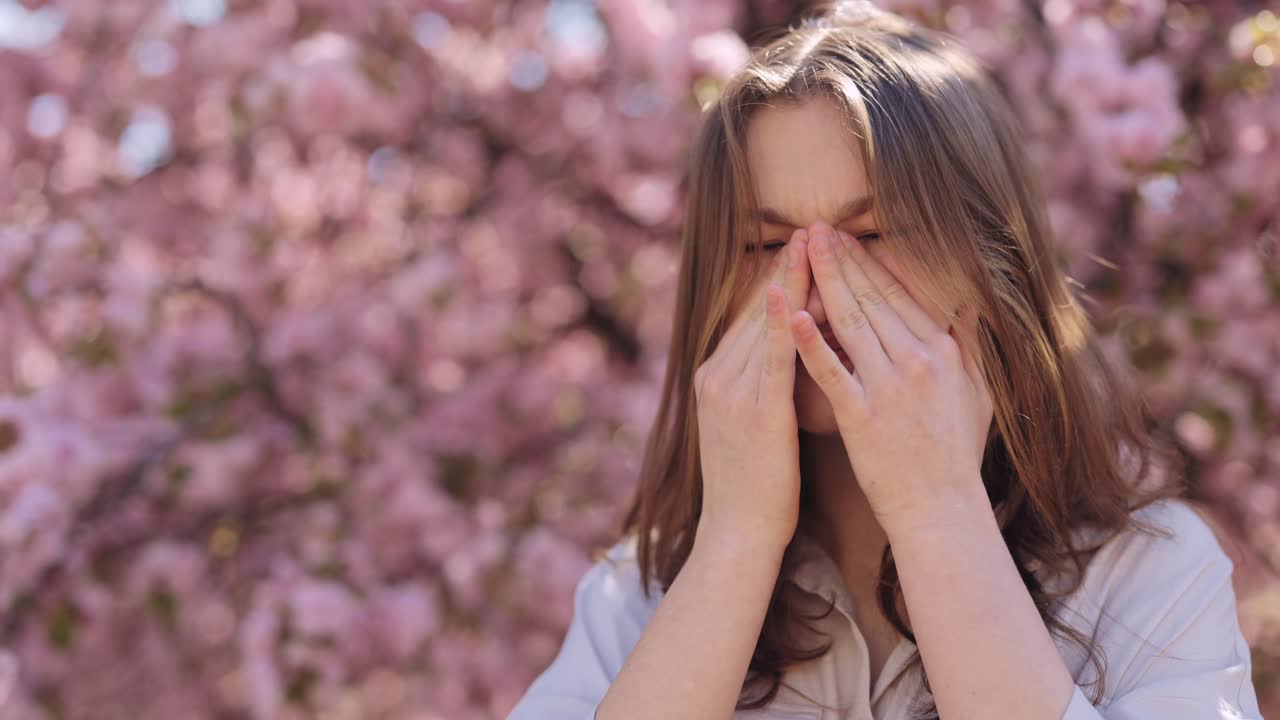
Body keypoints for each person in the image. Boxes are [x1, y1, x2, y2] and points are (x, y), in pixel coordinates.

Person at [507, 1, 1264, 719]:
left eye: (871, 236)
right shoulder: (634, 603)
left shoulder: (1147, 578)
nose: (816, 287)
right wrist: (735, 544)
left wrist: (937, 514)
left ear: (989, 268)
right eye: (767, 247)